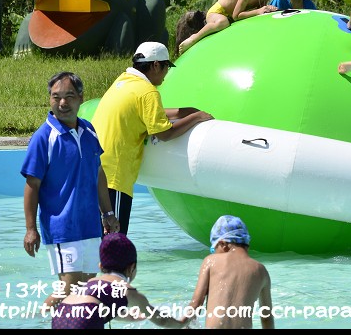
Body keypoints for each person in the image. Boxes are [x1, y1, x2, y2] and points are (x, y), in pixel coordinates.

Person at [92, 41, 214, 235]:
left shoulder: (124, 82)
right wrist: (196, 117)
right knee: (114, 245)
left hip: (95, 172)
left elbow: (143, 112)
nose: (166, 73)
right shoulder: (148, 91)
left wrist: (183, 111)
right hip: (114, 177)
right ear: (156, 65)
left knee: (97, 243)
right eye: (166, 66)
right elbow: (164, 134)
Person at [21, 71, 120, 311]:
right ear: (50, 99)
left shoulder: (89, 131)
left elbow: (98, 173)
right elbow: (31, 186)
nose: (62, 103)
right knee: (68, 289)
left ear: (80, 98)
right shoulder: (43, 137)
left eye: (69, 96)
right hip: (62, 228)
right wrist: (31, 229)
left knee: (87, 289)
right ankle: (34, 321)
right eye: (56, 97)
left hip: (90, 225)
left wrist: (107, 214)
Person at [51, 232, 188, 329]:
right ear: (132, 268)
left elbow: (88, 307)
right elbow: (162, 321)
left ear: (100, 266)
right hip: (85, 321)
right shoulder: (127, 290)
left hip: (60, 314)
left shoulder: (91, 283)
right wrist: (182, 323)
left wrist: (128, 316)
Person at [180, 215, 274, 329]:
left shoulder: (211, 261)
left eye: (213, 249)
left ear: (223, 244)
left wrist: (182, 324)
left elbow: (195, 305)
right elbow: (266, 317)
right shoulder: (261, 271)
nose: (214, 253)